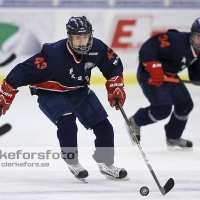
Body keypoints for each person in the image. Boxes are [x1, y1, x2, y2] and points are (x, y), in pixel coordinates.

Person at [0, 16, 128, 182]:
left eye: (85, 37)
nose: (82, 42)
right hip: (50, 92)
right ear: (69, 37)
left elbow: (113, 65)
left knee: (104, 126)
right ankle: (72, 160)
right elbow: (23, 70)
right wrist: (7, 90)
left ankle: (106, 164)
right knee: (67, 121)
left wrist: (115, 84)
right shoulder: (54, 54)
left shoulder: (98, 48)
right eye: (77, 38)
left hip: (79, 91)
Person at [128, 18, 200, 148]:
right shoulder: (176, 40)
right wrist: (153, 66)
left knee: (185, 105)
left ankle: (173, 137)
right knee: (162, 110)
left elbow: (195, 75)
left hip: (169, 76)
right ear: (192, 34)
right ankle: (135, 121)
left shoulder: (198, 53)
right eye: (199, 37)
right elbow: (148, 47)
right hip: (149, 75)